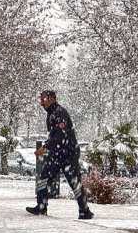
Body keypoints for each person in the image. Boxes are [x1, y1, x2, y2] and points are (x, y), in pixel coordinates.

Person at [26, 90, 94, 220]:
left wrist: (45, 147)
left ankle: (84, 211)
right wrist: (49, 147)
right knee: (44, 178)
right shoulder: (51, 114)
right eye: (40, 99)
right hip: (57, 152)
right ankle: (41, 206)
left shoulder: (60, 113)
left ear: (52, 99)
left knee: (74, 181)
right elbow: (54, 135)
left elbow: (60, 134)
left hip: (68, 152)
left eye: (43, 99)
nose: (41, 103)